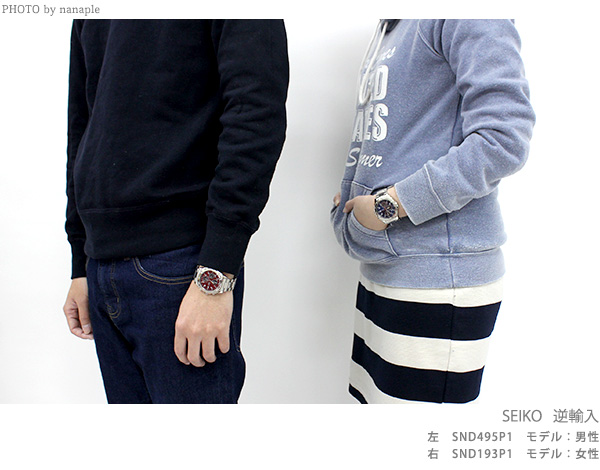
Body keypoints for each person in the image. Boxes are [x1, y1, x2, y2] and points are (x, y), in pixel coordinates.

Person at [62, 20, 289, 404]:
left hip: (183, 265)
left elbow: (255, 112)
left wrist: (216, 273)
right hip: (100, 266)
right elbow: (82, 121)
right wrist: (80, 262)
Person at [331, 19, 535, 404]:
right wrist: (356, 194)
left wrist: (387, 206)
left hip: (438, 277)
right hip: (386, 263)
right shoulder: (394, 24)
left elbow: (503, 139)